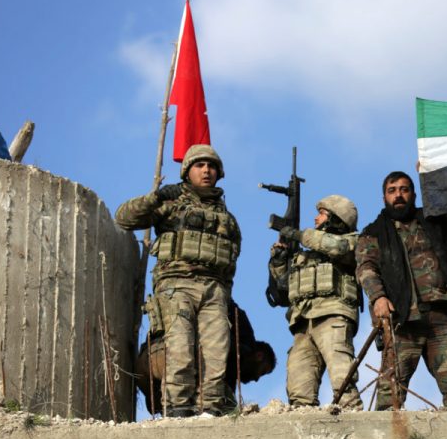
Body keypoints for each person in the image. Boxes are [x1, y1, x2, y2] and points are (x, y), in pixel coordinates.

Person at [115, 144, 241, 417]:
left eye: (211, 166)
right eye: (199, 165)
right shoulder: (171, 204)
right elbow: (124, 217)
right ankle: (178, 409)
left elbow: (232, 256)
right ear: (187, 172)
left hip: (214, 290)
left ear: (219, 173)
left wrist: (222, 292)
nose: (206, 170)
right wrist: (156, 197)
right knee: (180, 347)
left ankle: (211, 408)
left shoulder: (227, 218)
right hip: (177, 285)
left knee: (217, 351)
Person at [355, 171, 447, 409]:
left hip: (440, 315)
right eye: (392, 190)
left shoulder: (433, 220)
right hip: (401, 319)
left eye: (404, 189)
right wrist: (378, 297)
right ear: (384, 197)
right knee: (390, 395)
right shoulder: (373, 233)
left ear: (414, 193)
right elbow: (366, 268)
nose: (398, 195)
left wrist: (432, 173)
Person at [269, 195, 364, 409]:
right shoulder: (307, 255)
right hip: (303, 321)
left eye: (321, 214)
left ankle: (352, 413)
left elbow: (336, 247)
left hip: (333, 315)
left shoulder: (352, 241)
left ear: (337, 218)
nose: (315, 218)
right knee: (298, 385)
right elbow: (283, 292)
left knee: (342, 376)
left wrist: (299, 235)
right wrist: (279, 260)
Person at [135, 300, 276, 415]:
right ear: (259, 356)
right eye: (262, 371)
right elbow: (218, 303)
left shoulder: (230, 376)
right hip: (167, 356)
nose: (257, 379)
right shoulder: (242, 338)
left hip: (148, 364)